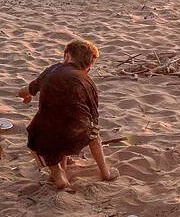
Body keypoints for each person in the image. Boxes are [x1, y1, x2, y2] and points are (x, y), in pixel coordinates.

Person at [20, 39, 116, 189]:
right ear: (89, 67)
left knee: (37, 133)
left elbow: (27, 89)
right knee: (92, 132)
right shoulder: (88, 81)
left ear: (67, 56)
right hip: (78, 134)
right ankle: (105, 172)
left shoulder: (52, 70)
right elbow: (93, 115)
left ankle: (58, 173)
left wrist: (25, 95)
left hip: (48, 137)